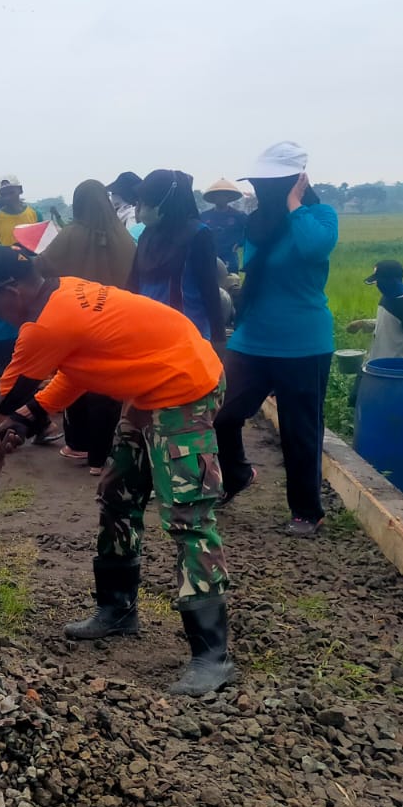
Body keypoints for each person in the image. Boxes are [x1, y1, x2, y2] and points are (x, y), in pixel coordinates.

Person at [0, 248, 234, 696]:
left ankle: (212, 656)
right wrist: (32, 417)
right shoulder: (62, 295)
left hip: (185, 387)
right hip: (150, 389)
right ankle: (118, 610)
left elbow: (1, 398)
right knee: (118, 492)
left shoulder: (47, 323)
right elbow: (78, 370)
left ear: (12, 291)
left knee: (189, 517)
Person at [213, 142, 338, 538]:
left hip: (304, 342)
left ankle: (307, 510)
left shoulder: (320, 216)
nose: (261, 191)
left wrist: (294, 203)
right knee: (223, 412)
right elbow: (252, 268)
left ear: (296, 180)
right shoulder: (258, 224)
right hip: (253, 338)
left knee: (300, 430)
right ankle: (236, 475)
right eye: (260, 184)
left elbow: (314, 248)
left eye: (273, 184)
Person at [41, 179, 137, 473]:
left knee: (74, 377)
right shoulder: (124, 236)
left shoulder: (70, 235)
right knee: (107, 387)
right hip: (117, 320)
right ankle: (101, 455)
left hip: (76, 318)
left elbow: (42, 267)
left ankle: (77, 445)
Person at [134, 170, 226, 349]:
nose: (142, 208)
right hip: (147, 333)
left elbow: (210, 290)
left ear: (167, 201)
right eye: (141, 202)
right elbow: (133, 283)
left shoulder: (198, 234)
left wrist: (218, 338)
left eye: (148, 201)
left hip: (187, 336)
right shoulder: (147, 234)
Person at [200, 178, 247, 270]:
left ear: (229, 197)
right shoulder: (204, 216)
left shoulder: (239, 216)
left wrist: (239, 243)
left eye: (224, 195)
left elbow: (250, 232)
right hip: (209, 257)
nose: (221, 198)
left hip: (229, 257)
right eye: (218, 195)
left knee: (230, 282)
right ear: (213, 197)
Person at [0, 173, 39, 250]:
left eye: (11, 192)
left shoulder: (35, 214)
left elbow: (42, 246)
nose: (7, 198)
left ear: (20, 190)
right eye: (3, 194)